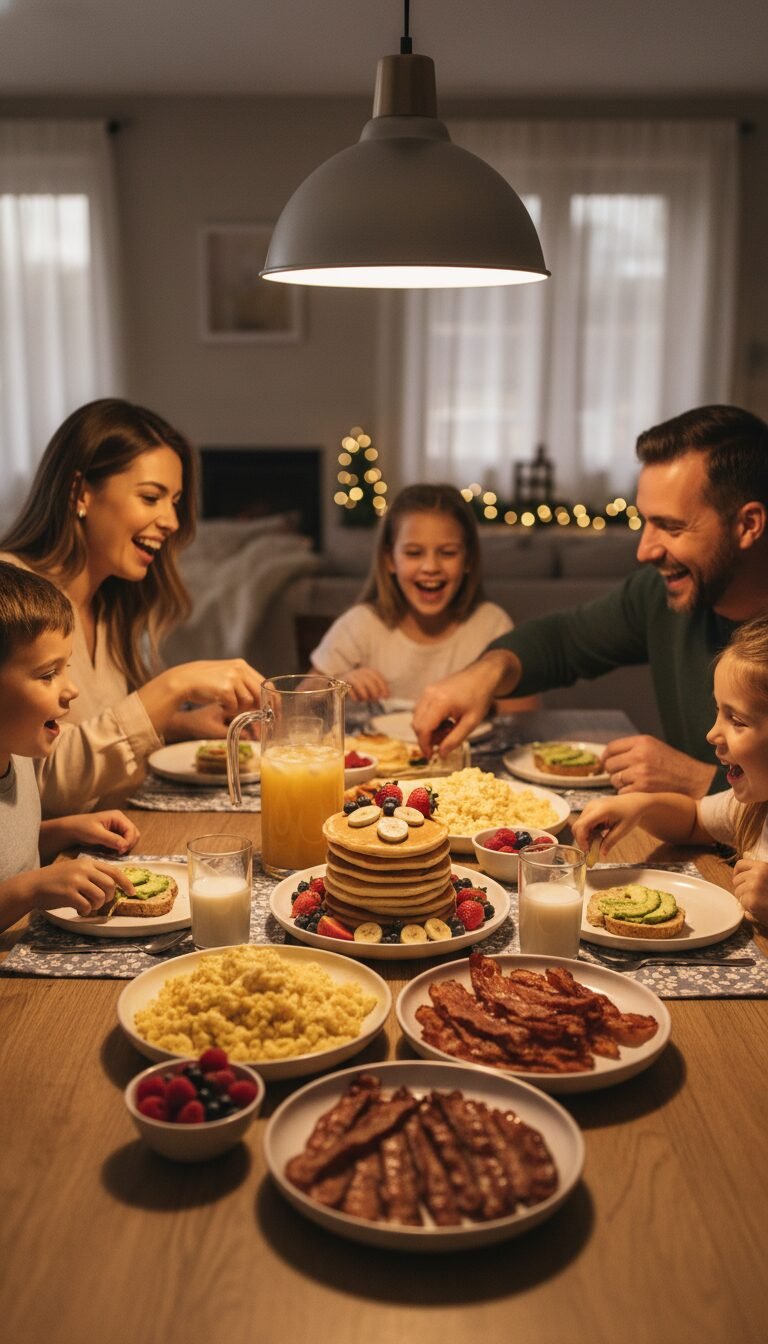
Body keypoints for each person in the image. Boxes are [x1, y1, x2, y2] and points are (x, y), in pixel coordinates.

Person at [412, 405, 768, 798]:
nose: (645, 551)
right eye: (644, 522)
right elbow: (563, 640)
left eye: (670, 526)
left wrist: (699, 781)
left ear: (747, 525)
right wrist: (485, 674)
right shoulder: (660, 595)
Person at [0, 399, 264, 815]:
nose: (172, 521)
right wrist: (172, 687)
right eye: (151, 497)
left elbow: (81, 730)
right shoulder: (13, 600)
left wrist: (178, 723)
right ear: (80, 492)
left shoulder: (108, 603)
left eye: (174, 500)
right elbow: (32, 787)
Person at [572, 615, 768, 925]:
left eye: (738, 721)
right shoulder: (755, 809)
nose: (712, 734)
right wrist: (640, 806)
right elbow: (693, 821)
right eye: (719, 711)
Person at [0, 562, 139, 933]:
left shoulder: (18, 757)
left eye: (67, 668)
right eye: (48, 674)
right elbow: (16, 881)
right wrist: (30, 889)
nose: (71, 689)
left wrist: (65, 830)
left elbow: (9, 854)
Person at [310, 483, 537, 708]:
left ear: (468, 559)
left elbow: (523, 719)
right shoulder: (361, 624)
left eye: (447, 553)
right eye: (414, 553)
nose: (430, 566)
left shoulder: (491, 625)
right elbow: (301, 702)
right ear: (390, 560)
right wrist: (339, 684)